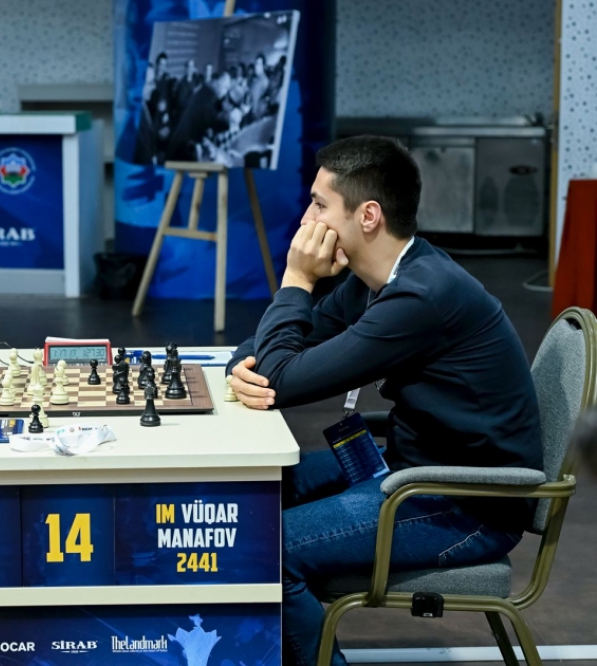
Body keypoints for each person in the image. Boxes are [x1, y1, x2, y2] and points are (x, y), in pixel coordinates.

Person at [225, 136, 543, 666]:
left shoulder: (422, 296)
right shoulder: (378, 279)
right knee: (250, 492)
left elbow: (280, 379)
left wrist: (297, 278)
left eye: (319, 205)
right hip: (410, 469)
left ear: (368, 215)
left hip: (466, 503)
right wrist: (245, 364)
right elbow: (271, 351)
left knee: (267, 550)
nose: (306, 220)